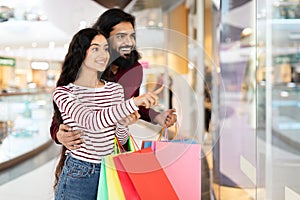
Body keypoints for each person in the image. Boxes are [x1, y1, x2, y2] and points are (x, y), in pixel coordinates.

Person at [53, 28, 163, 199]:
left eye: (105, 48)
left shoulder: (115, 89)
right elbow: (91, 122)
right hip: (79, 172)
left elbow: (121, 139)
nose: (103, 54)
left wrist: (122, 123)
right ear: (81, 53)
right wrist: (134, 102)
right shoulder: (64, 93)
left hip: (110, 168)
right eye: (95, 48)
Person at [50, 8, 177, 150]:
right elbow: (60, 114)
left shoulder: (133, 69)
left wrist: (157, 117)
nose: (129, 43)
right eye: (121, 36)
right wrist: (58, 135)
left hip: (115, 148)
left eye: (132, 36)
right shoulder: (83, 70)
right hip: (83, 152)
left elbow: (132, 105)